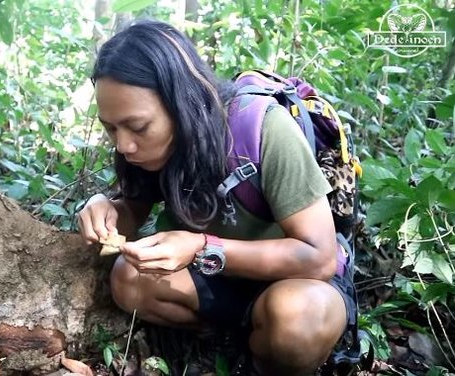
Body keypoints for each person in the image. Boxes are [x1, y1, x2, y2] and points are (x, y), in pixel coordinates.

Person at [77, 20, 356, 376]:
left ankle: (263, 358)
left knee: (297, 319)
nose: (123, 144)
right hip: (220, 282)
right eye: (110, 127)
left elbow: (318, 258)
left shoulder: (262, 130)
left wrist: (200, 247)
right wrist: (104, 209)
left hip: (294, 281)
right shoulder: (140, 148)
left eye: (139, 127)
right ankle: (230, 343)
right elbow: (132, 208)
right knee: (128, 280)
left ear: (182, 102)